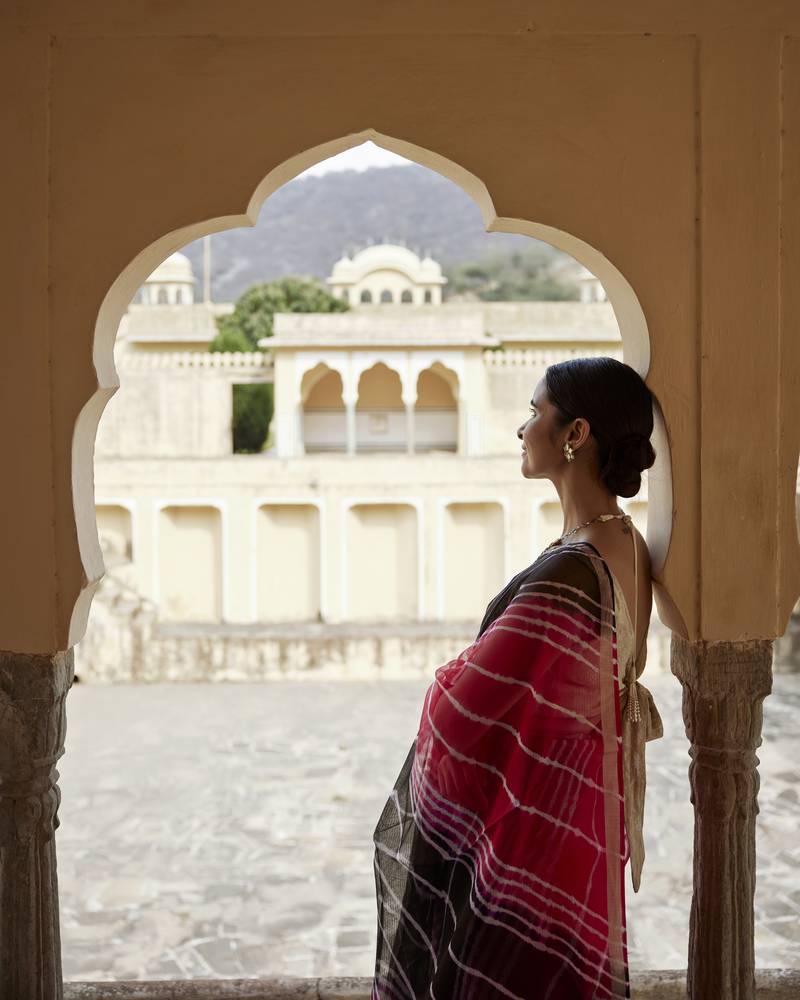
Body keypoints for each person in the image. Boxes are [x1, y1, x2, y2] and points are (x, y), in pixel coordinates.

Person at [370, 356, 664, 999]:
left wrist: (448, 675)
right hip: (580, 810)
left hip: (532, 827)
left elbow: (465, 709)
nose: (522, 427)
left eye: (535, 412)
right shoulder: (626, 544)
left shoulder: (575, 569)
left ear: (575, 434)